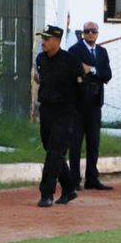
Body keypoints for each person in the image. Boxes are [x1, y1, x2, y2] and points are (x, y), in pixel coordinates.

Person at [34, 25, 83, 208]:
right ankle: (69, 188)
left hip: (65, 112)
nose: (43, 42)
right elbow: (42, 79)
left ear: (57, 41)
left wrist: (76, 111)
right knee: (51, 149)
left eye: (46, 39)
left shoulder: (70, 61)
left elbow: (81, 87)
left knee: (55, 151)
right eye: (42, 38)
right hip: (47, 110)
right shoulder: (41, 59)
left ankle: (46, 193)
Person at [67, 21, 113, 191]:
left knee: (94, 142)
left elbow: (107, 74)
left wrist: (92, 70)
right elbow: (74, 72)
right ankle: (74, 179)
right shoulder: (75, 50)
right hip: (78, 103)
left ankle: (92, 178)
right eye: (87, 31)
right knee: (76, 143)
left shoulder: (102, 52)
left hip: (95, 103)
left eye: (93, 31)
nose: (90, 34)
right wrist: (92, 73)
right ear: (83, 33)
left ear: (97, 33)